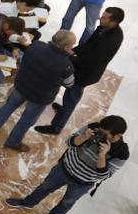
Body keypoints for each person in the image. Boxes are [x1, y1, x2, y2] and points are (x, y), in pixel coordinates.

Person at [7, 115, 129, 214]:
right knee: (44, 187)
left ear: (118, 136)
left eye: (105, 134)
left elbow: (103, 175)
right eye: (100, 131)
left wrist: (102, 155)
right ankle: (28, 202)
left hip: (83, 183)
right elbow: (69, 142)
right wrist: (84, 137)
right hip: (64, 168)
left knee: (67, 203)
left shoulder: (121, 153)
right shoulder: (93, 128)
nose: (100, 135)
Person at [38, 7, 125, 136]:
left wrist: (68, 57)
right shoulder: (103, 27)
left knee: (71, 98)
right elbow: (88, 44)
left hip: (85, 73)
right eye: (103, 15)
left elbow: (90, 62)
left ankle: (56, 127)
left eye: (105, 18)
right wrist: (74, 51)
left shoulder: (111, 41)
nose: (101, 18)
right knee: (68, 92)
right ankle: (62, 110)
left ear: (114, 22)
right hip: (82, 64)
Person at [0, 30, 76, 151]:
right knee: (26, 120)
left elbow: (23, 60)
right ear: (66, 47)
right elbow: (69, 84)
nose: (72, 48)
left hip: (22, 85)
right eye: (72, 46)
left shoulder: (35, 46)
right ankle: (13, 142)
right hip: (40, 97)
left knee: (8, 107)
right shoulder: (66, 65)